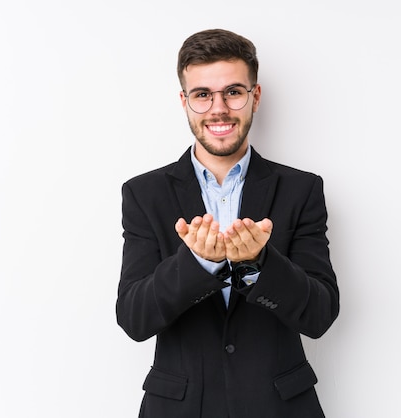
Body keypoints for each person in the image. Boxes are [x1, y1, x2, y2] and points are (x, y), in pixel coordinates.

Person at [116, 28, 340, 418]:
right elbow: (134, 318)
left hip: (279, 407)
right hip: (180, 408)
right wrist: (196, 265)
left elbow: (320, 316)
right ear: (185, 102)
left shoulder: (301, 189)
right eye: (202, 95)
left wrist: (259, 264)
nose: (218, 108)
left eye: (233, 92)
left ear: (254, 97)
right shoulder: (143, 194)